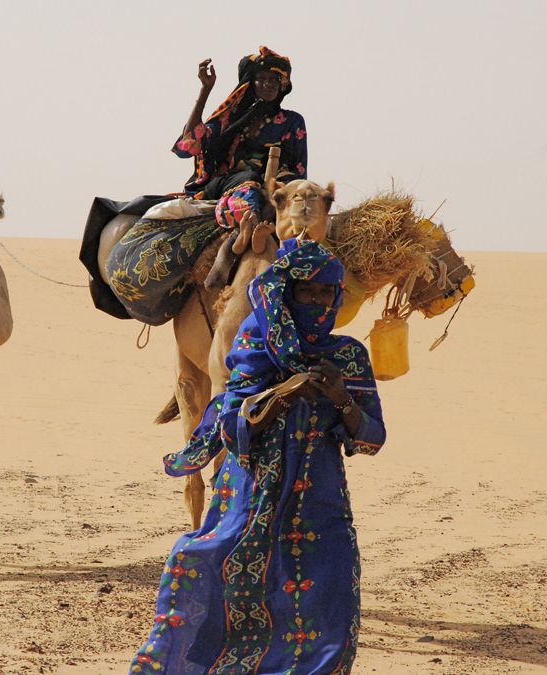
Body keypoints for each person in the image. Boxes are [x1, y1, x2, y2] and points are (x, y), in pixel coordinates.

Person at [130, 238, 387, 674]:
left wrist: (340, 397)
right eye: (308, 292)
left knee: (331, 606)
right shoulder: (253, 346)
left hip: (319, 505)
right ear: (288, 293)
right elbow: (231, 426)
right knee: (208, 574)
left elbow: (372, 439)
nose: (318, 302)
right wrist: (280, 398)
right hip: (251, 498)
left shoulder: (348, 356)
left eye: (327, 293)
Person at [173, 46, 308, 288]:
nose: (268, 85)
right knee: (251, 185)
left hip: (275, 186)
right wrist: (205, 90)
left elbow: (298, 169)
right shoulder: (232, 116)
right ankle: (238, 241)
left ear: (282, 85)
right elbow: (189, 145)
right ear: (251, 83)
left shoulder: (292, 122)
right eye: (262, 79)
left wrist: (283, 186)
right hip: (230, 183)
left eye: (274, 79)